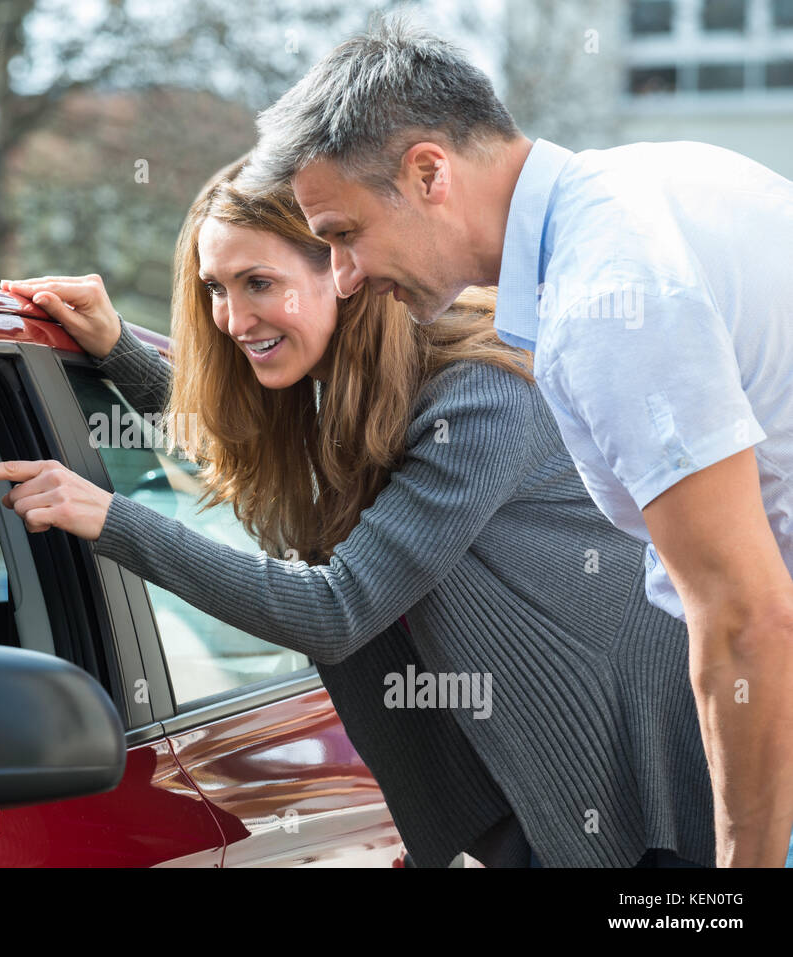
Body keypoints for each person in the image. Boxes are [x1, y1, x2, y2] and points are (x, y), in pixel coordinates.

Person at [0, 156, 715, 867]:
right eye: (215, 289)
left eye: (258, 282)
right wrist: (117, 352)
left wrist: (111, 518)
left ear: (343, 272)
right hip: (537, 793)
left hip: (646, 795)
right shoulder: (350, 400)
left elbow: (337, 609)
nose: (231, 318)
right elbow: (250, 458)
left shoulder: (479, 400)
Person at [238, 12, 793, 868]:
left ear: (428, 171)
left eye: (345, 235)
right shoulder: (641, 192)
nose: (344, 277)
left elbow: (745, 615)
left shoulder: (610, 295)